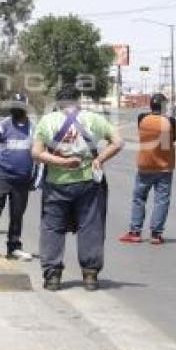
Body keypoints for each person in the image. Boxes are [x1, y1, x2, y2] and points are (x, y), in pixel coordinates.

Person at [32, 84, 124, 292]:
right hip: (88, 183)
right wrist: (100, 159)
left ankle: (53, 275)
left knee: (52, 228)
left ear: (58, 103)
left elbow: (36, 154)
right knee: (90, 227)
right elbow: (118, 142)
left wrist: (62, 163)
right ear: (78, 101)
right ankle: (90, 276)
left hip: (56, 184)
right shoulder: (92, 119)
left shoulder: (47, 121)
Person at [0, 93, 38, 261]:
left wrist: (36, 178)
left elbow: (39, 155)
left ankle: (14, 247)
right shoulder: (2, 127)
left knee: (17, 215)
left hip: (23, 180)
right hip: (2, 177)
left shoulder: (33, 129)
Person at [119, 93, 176, 246]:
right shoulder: (170, 121)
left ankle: (135, 232)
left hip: (145, 166)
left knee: (139, 199)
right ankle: (156, 234)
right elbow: (171, 140)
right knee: (161, 200)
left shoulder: (142, 118)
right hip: (164, 167)